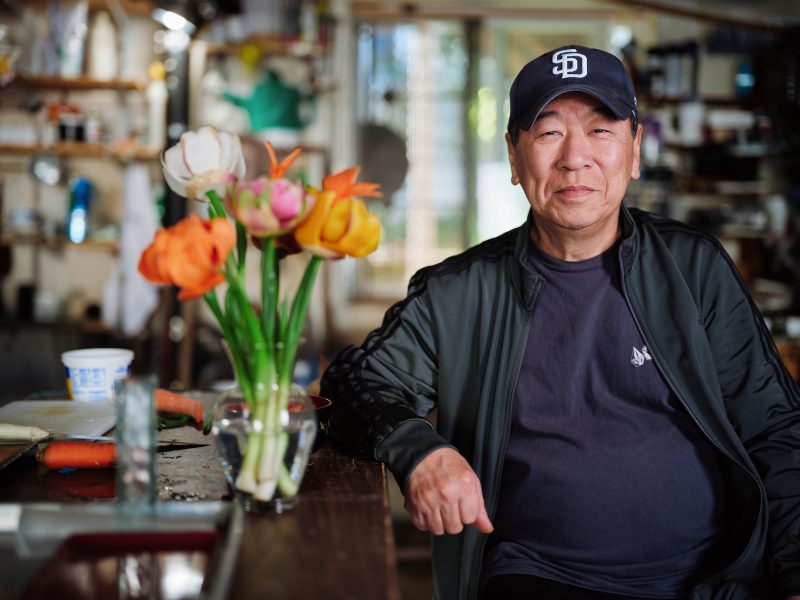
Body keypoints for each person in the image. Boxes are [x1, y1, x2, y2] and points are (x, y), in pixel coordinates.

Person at [320, 44, 800, 600]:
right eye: (548, 133)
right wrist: (419, 450)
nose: (576, 158)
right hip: (541, 578)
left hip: (712, 580)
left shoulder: (694, 269)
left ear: (635, 150)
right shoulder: (457, 292)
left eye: (601, 131)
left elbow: (775, 430)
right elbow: (351, 385)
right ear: (514, 157)